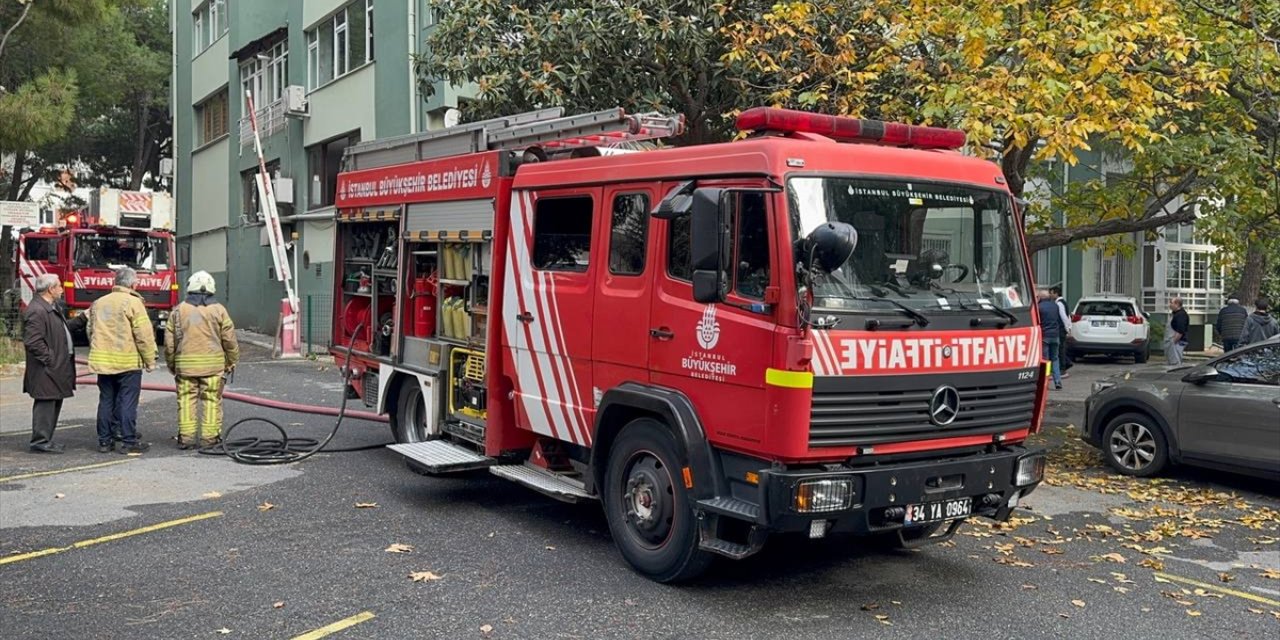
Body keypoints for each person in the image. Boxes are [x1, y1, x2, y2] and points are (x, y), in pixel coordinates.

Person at [165, 271, 239, 449]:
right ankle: (209, 439)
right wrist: (232, 360)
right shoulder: (219, 310)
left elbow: (169, 342)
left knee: (185, 400)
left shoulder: (178, 310)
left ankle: (187, 439)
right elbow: (229, 339)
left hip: (185, 368)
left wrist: (172, 364)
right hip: (213, 368)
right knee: (212, 401)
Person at [87, 267, 156, 454]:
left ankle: (104, 442)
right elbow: (143, 335)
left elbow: (90, 331)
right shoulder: (133, 302)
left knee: (106, 401)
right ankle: (128, 441)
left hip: (103, 362)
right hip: (127, 363)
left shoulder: (98, 303)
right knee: (127, 402)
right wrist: (150, 360)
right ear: (133, 284)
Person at [22, 274, 88, 453]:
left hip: (54, 367)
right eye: (59, 286)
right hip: (47, 369)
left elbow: (63, 328)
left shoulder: (50, 307)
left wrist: (83, 318)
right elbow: (33, 342)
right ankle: (40, 441)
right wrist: (51, 359)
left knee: (53, 403)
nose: (62, 289)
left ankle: (46, 440)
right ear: (50, 289)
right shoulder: (37, 310)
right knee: (46, 404)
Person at [1037, 290, 1063, 390]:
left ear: (1040, 297)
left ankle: (1045, 382)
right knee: (1055, 359)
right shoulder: (1055, 306)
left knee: (1046, 361)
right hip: (1055, 335)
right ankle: (1058, 381)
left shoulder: (1039, 307)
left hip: (1045, 336)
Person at [1050, 286, 1073, 375]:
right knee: (1061, 348)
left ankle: (1063, 367)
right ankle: (1066, 363)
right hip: (1062, 329)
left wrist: (1067, 329)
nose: (1050, 295)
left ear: (1056, 293)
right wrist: (1069, 327)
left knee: (1060, 349)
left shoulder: (1059, 304)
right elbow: (1068, 317)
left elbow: (1064, 317)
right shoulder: (1063, 302)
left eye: (1051, 293)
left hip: (1061, 329)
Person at [1164, 297, 1190, 366]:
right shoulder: (1175, 314)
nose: (1169, 304)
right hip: (1173, 343)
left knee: (1175, 364)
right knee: (1172, 362)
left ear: (1177, 304)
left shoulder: (1181, 315)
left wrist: (1173, 342)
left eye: (1171, 303)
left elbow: (1180, 331)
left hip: (1177, 343)